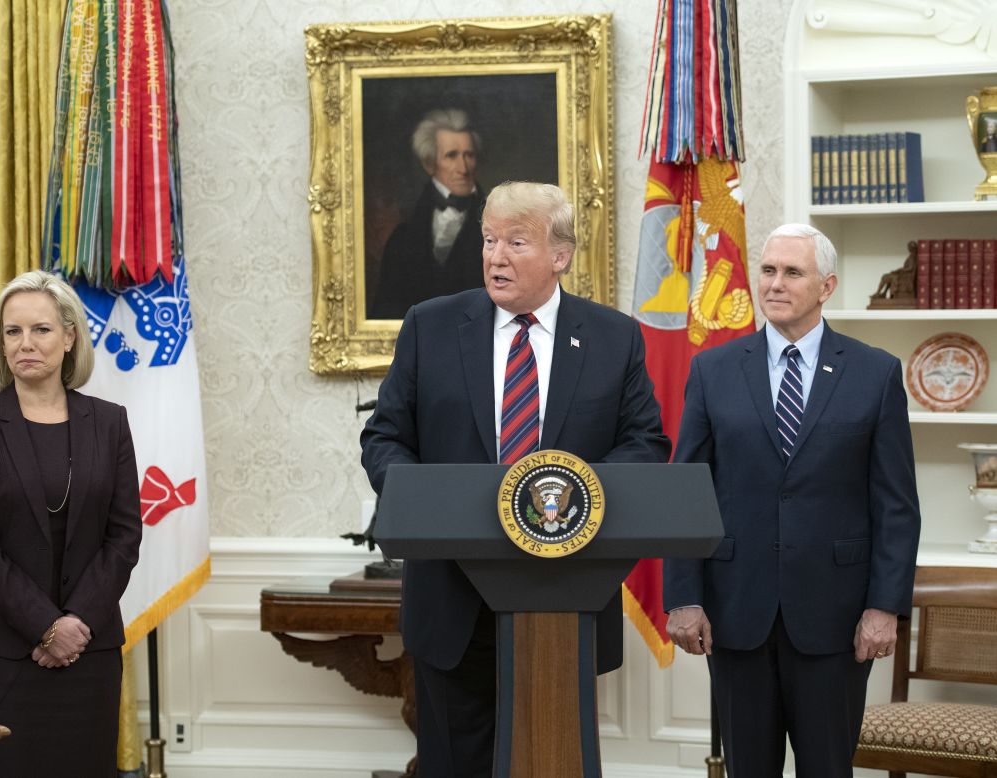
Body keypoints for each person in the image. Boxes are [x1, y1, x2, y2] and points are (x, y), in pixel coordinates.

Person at [361, 182, 670, 777]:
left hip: (565, 597)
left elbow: (644, 443)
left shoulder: (612, 337)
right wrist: (423, 501)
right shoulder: (431, 326)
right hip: (454, 599)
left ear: (560, 256)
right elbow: (384, 437)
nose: (494, 257)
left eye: (516, 242)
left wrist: (578, 497)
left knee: (552, 760)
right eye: (488, 240)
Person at [663, 224, 921, 777]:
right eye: (768, 270)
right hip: (736, 614)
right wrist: (683, 596)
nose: (774, 284)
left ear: (826, 286)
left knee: (827, 769)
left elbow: (896, 504)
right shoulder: (713, 370)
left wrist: (885, 607)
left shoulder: (875, 374)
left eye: (792, 273)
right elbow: (689, 489)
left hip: (837, 618)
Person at [0, 270, 142, 777]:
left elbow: (123, 537)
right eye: (13, 332)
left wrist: (73, 626)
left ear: (70, 336)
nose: (25, 343)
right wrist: (46, 626)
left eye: (41, 329)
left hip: (87, 650)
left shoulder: (110, 422)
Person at [369, 108, 487, 319]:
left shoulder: (499, 230)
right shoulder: (401, 240)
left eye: (469, 155)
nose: (463, 167)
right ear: (429, 164)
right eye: (451, 156)